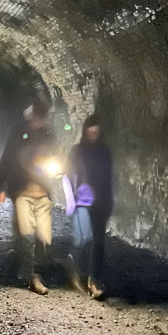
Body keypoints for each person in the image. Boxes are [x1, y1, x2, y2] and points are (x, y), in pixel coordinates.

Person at [0, 101, 60, 295]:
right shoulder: (17, 132)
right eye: (36, 116)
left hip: (42, 193)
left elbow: (58, 156)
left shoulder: (49, 135)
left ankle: (26, 264)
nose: (38, 120)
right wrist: (0, 185)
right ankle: (32, 276)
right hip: (21, 191)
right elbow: (7, 157)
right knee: (25, 234)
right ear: (30, 116)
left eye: (42, 117)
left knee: (44, 238)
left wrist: (59, 167)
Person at [64, 113, 113, 300]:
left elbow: (108, 178)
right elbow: (68, 175)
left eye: (96, 132)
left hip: (101, 201)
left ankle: (94, 281)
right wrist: (71, 200)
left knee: (98, 241)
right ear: (85, 131)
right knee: (84, 240)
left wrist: (109, 201)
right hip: (82, 201)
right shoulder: (77, 151)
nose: (94, 135)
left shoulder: (104, 151)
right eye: (91, 131)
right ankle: (77, 271)